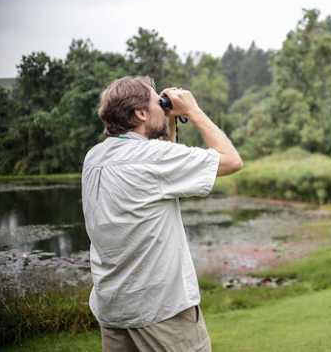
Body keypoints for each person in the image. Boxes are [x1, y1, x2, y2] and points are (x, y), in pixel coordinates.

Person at [81, 76, 243, 352]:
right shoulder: (152, 158)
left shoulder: (94, 157)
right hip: (161, 311)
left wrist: (167, 120)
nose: (163, 105)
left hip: (114, 309)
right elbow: (231, 160)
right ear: (141, 113)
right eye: (159, 102)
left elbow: (160, 164)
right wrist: (192, 110)